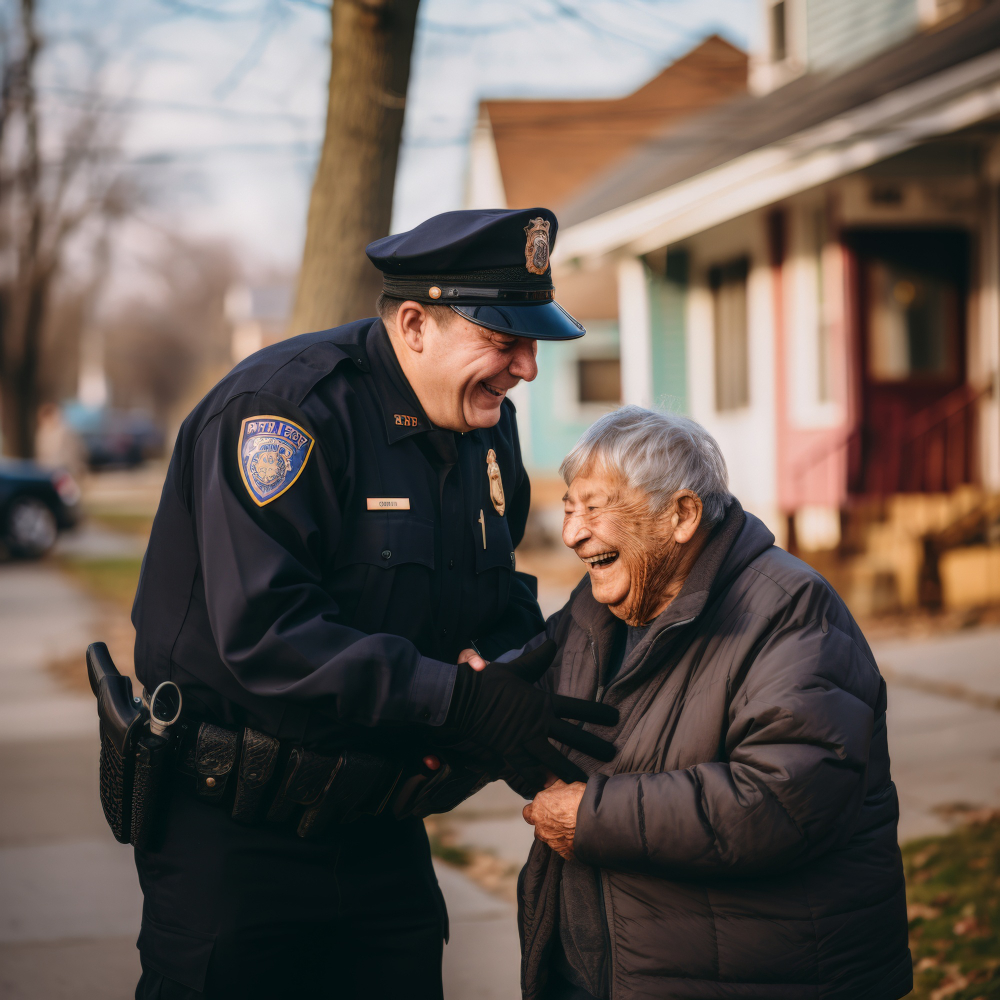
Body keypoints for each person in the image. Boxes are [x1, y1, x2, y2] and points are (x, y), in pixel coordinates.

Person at [127, 207, 617, 1000]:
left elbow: (498, 592)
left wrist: (507, 682)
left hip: (382, 818)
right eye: (504, 341)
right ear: (416, 324)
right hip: (236, 833)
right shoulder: (284, 415)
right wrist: (458, 701)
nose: (526, 367)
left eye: (533, 344)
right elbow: (268, 632)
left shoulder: (485, 428)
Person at [518, 405, 912, 1000]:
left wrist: (592, 818)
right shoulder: (595, 609)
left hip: (755, 976)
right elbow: (534, 716)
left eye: (595, 508)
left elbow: (781, 800)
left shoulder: (789, 609)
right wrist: (471, 706)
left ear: (681, 515)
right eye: (570, 508)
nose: (573, 533)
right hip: (605, 971)